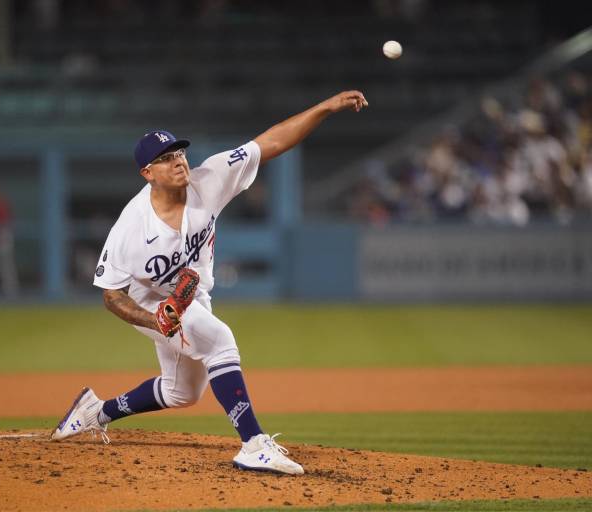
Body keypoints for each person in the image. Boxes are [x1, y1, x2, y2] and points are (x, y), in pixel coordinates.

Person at [50, 90, 369, 475]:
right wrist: (156, 321)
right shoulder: (130, 230)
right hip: (148, 299)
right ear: (147, 174)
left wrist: (324, 107)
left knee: (182, 392)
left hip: (192, 294)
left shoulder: (210, 178)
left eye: (178, 152)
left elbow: (269, 142)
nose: (177, 161)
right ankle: (253, 444)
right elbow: (111, 296)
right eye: (164, 159)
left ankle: (95, 411)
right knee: (220, 341)